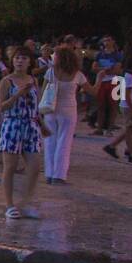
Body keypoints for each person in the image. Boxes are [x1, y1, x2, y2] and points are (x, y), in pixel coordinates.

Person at [0, 47, 47, 218]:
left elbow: (37, 105)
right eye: (17, 58)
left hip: (31, 126)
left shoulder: (33, 80)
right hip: (13, 124)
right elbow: (2, 106)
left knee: (34, 166)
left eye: (24, 58)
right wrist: (18, 94)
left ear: (29, 61)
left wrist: (42, 124)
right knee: (10, 166)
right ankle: (9, 204)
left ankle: (25, 202)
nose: (19, 61)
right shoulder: (6, 81)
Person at [42, 44, 94, 184]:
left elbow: (43, 92)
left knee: (49, 142)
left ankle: (49, 173)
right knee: (64, 142)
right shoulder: (78, 75)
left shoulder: (51, 72)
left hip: (50, 109)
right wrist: (100, 78)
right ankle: (59, 175)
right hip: (68, 109)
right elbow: (92, 91)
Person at [104, 52, 132, 164]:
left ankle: (112, 146)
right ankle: (131, 152)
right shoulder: (130, 77)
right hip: (130, 106)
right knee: (130, 129)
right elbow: (127, 93)